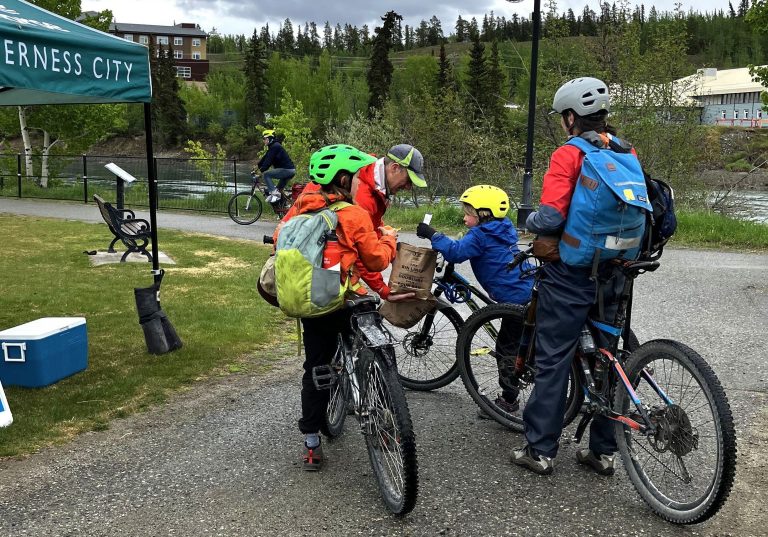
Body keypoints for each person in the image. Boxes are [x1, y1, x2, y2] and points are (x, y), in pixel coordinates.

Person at [510, 77, 637, 476]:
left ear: (570, 117)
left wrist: (528, 218)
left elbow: (551, 216)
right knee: (609, 358)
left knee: (553, 359)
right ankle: (603, 452)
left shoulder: (568, 154)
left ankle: (540, 451)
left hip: (572, 273)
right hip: (616, 269)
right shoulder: (625, 150)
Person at [272, 144, 405, 471]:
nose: (360, 182)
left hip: (312, 302)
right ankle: (380, 413)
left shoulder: (302, 204)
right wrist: (388, 238)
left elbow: (279, 237)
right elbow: (376, 260)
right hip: (343, 300)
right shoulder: (353, 214)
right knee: (375, 347)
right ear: (344, 179)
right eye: (357, 177)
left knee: (316, 367)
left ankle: (311, 443)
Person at [416, 185, 533, 414]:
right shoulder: (503, 227)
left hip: (513, 298)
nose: (464, 217)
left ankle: (508, 400)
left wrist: (433, 234)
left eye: (468, 213)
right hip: (525, 289)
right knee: (524, 341)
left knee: (506, 348)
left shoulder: (480, 235)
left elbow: (456, 253)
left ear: (483, 214)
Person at [280, 143, 428, 301]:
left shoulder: (361, 169)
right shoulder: (359, 201)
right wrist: (388, 241)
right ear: (394, 168)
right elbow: (371, 258)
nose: (408, 187)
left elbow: (364, 229)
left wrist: (380, 232)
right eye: (409, 179)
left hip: (298, 275)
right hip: (326, 281)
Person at [256, 129, 296, 203]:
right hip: (289, 170)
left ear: (270, 139)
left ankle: (274, 194)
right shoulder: (272, 147)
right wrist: (257, 167)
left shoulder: (275, 147)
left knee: (266, 175)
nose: (263, 140)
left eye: (264, 139)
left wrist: (261, 171)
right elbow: (265, 158)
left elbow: (268, 162)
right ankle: (284, 206)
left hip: (287, 170)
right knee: (279, 189)